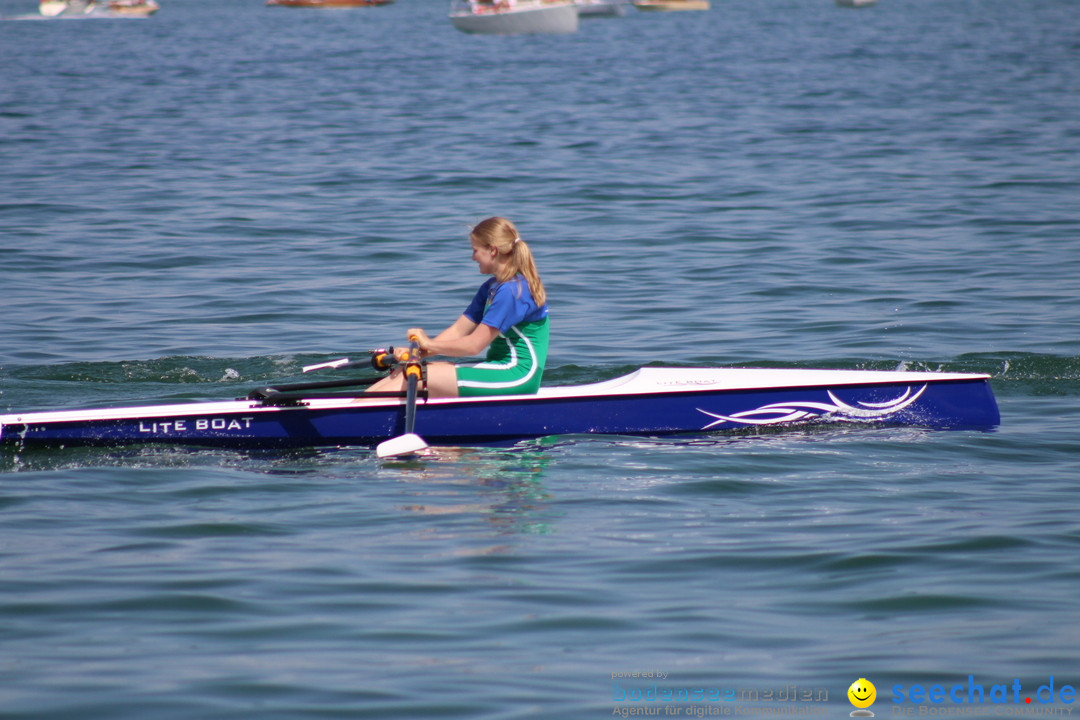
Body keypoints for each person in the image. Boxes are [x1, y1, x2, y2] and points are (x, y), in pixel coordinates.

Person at [366, 217, 549, 398]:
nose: (473, 257)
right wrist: (417, 353)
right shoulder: (491, 287)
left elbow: (474, 346)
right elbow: (458, 330)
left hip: (518, 375)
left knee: (412, 378)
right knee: (401, 372)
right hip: (499, 366)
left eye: (475, 250)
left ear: (492, 250)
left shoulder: (513, 291)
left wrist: (428, 343)